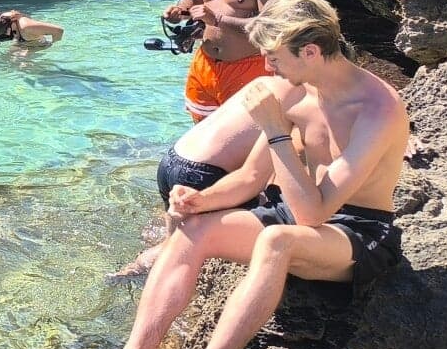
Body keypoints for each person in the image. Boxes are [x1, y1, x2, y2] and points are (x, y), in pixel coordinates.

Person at [98, 0, 409, 349]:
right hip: (296, 211)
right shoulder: (299, 91)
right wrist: (198, 200)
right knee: (192, 231)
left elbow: (315, 213)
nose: (265, 65)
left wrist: (276, 128)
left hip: (358, 230)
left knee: (277, 240)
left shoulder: (377, 109)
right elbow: (251, 177)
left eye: (274, 57)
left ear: (310, 51)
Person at [114, 76, 305, 277]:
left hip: (174, 158)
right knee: (182, 253)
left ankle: (139, 267)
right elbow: (273, 162)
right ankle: (136, 270)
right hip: (202, 173)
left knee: (174, 239)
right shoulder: (299, 96)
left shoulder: (264, 82)